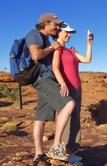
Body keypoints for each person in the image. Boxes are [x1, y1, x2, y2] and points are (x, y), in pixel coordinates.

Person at [25, 13, 75, 164]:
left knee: (41, 118)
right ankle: (55, 147)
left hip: (46, 79)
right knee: (69, 103)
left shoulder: (46, 38)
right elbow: (35, 55)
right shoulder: (34, 34)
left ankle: (39, 154)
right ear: (46, 23)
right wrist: (51, 47)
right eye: (56, 24)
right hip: (43, 79)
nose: (58, 27)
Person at [52, 22, 93, 164]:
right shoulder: (57, 49)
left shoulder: (71, 51)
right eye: (66, 32)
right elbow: (55, 68)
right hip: (66, 89)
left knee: (75, 120)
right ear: (58, 32)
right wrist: (62, 83)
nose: (69, 35)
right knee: (66, 120)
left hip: (77, 89)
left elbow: (87, 60)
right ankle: (61, 150)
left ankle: (71, 152)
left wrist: (89, 43)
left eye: (70, 33)